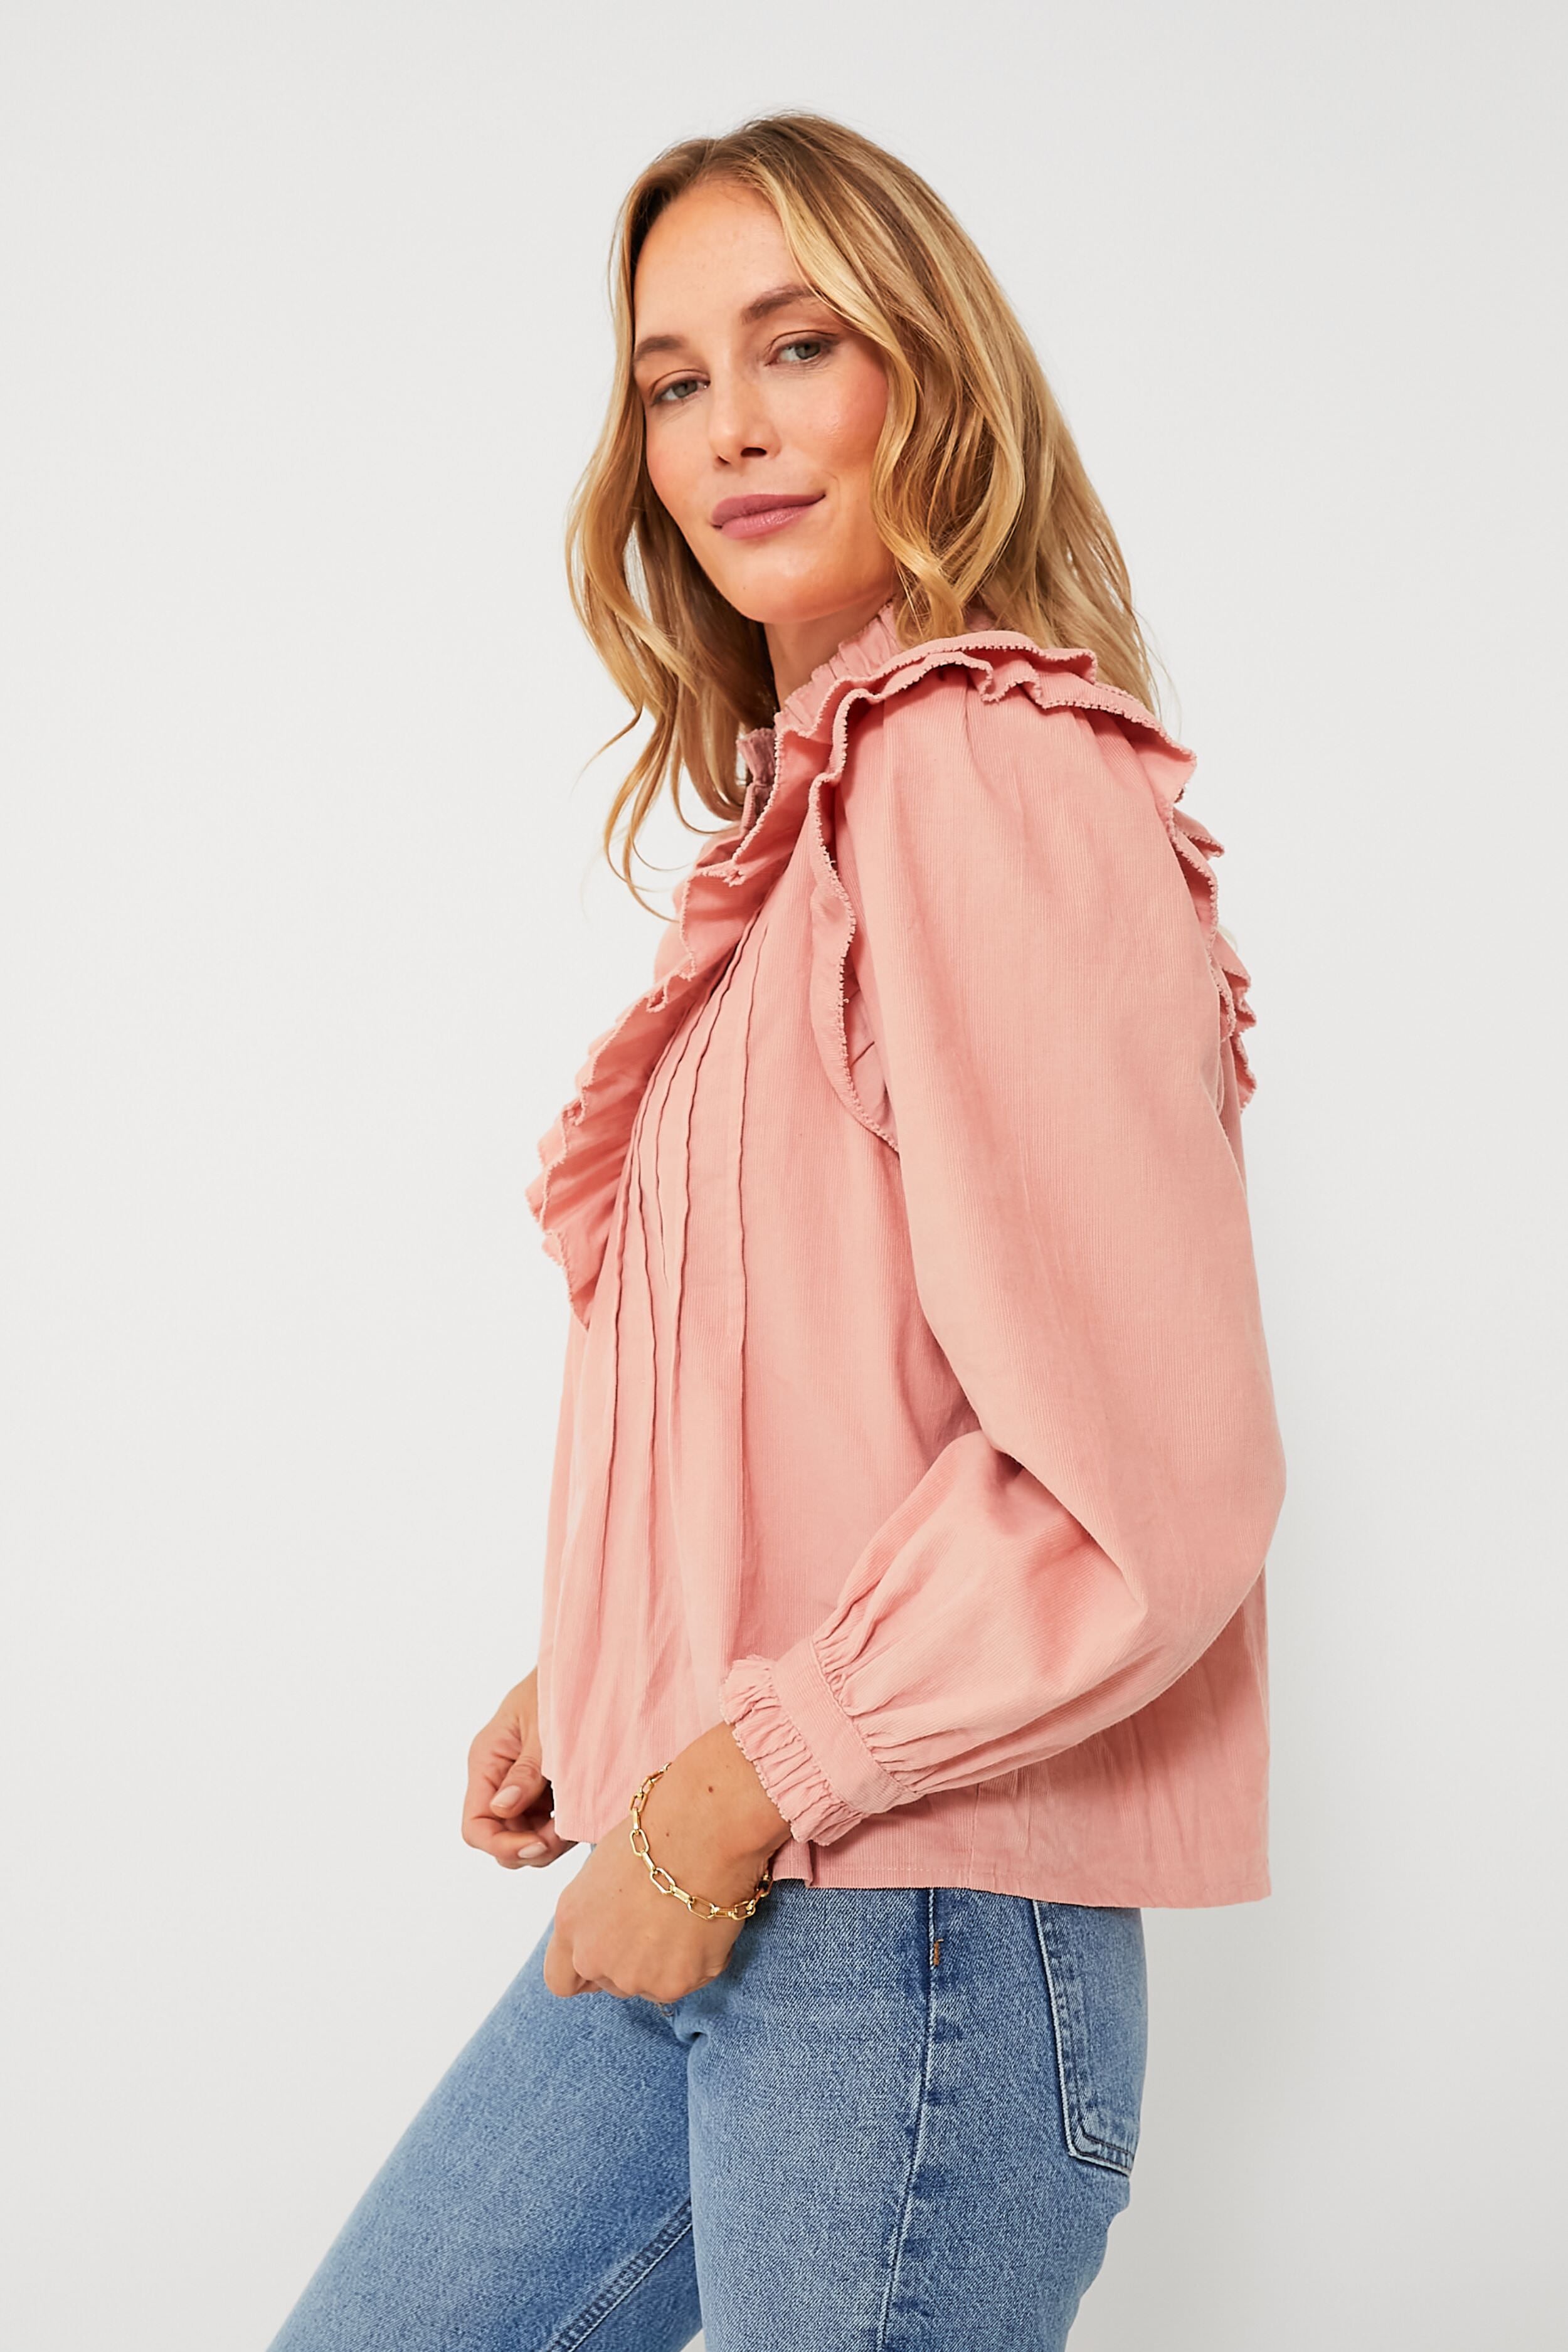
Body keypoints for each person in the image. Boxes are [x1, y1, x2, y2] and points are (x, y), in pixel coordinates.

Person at [267, 110, 1285, 2352]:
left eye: (795, 344)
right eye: (670, 379)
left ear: (930, 373)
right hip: (741, 1852)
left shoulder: (981, 768)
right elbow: (852, 1374)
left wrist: (727, 1790)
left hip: (905, 1923)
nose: (725, 425)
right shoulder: (823, 813)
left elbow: (1142, 1474)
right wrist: (619, 1652)